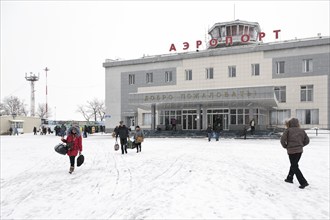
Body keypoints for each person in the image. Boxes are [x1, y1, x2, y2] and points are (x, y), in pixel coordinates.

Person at [280, 118, 310, 189]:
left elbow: (282, 140)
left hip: (291, 151)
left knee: (294, 166)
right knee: (294, 164)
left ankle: (303, 182)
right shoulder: (302, 131)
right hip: (299, 151)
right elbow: (307, 140)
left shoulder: (288, 130)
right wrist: (301, 145)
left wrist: (285, 146)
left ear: (289, 123)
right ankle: (289, 178)